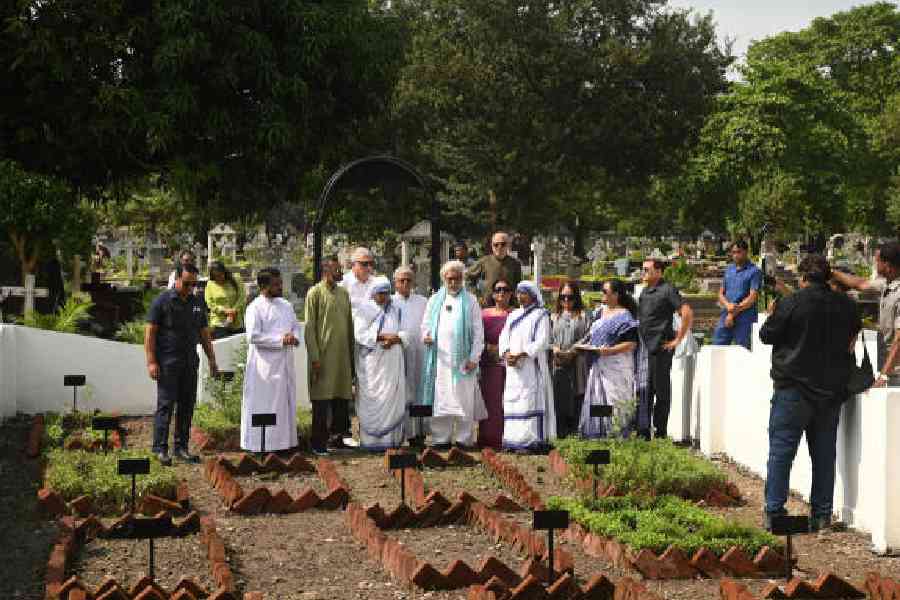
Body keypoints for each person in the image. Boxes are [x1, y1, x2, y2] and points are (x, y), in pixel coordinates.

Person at [760, 255, 860, 532]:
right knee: (824, 455)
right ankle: (821, 515)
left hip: (793, 387)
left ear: (803, 277)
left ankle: (775, 512)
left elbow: (767, 335)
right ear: (828, 276)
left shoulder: (791, 302)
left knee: (781, 452)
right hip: (830, 390)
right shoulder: (846, 305)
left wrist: (772, 314)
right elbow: (853, 336)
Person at [145, 263, 218, 465]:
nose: (190, 288)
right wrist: (151, 362)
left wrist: (212, 359)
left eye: (194, 284)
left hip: (189, 363)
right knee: (166, 405)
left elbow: (204, 333)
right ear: (176, 279)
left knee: (187, 406)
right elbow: (150, 333)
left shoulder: (197, 303)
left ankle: (181, 447)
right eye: (186, 284)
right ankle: (160, 448)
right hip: (168, 363)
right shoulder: (162, 301)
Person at [420, 260, 486, 449]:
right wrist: (426, 336)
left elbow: (478, 332)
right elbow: (425, 325)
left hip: (463, 360)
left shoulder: (471, 300)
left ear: (462, 278)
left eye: (457, 278)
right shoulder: (435, 300)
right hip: (439, 360)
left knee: (464, 399)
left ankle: (464, 439)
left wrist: (474, 358)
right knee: (441, 398)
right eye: (449, 279)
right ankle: (441, 438)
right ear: (444, 279)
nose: (453, 282)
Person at [241, 268, 302, 453]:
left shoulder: (286, 305)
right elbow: (253, 336)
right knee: (264, 404)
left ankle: (283, 444)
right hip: (264, 368)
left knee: (283, 404)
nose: (280, 287)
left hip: (284, 364)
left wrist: (294, 337)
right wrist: (280, 340)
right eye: (276, 284)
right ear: (263, 286)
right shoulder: (255, 308)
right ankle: (261, 446)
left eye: (280, 283)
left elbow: (296, 326)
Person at [579, 280, 648, 438]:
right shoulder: (599, 313)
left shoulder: (625, 316)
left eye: (605, 291)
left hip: (616, 367)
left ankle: (616, 435)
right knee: (598, 399)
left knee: (614, 401)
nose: (602, 294)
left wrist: (610, 351)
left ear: (616, 294)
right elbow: (591, 337)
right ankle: (600, 433)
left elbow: (631, 343)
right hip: (599, 364)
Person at [637, 259, 694, 440]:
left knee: (661, 392)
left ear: (659, 271)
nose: (643, 272)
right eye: (643, 269)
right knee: (644, 391)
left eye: (647, 269)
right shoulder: (644, 291)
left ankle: (660, 433)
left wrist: (677, 339)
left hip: (660, 348)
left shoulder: (667, 290)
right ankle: (643, 432)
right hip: (644, 350)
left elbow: (686, 312)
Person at [305, 256, 355, 455]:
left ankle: (337, 439)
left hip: (342, 356)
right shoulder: (315, 293)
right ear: (326, 271)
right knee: (321, 400)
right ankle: (318, 442)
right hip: (323, 357)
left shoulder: (344, 293)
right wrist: (315, 357)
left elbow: (349, 325)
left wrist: (351, 355)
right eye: (336, 269)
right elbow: (309, 328)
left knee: (341, 398)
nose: (340, 272)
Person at [832, 242, 900, 386]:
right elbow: (861, 284)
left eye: (878, 261)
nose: (875, 264)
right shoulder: (887, 284)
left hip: (895, 369)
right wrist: (833, 272)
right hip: (889, 365)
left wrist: (884, 376)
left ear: (887, 265)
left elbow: (899, 340)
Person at [498, 280, 555, 452]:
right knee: (514, 401)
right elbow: (503, 337)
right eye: (518, 293)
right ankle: (513, 440)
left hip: (531, 365)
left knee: (530, 401)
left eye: (523, 293)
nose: (519, 296)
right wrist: (507, 353)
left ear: (532, 295)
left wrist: (521, 354)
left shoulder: (541, 315)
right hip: (513, 368)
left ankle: (531, 441)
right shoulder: (513, 315)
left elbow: (542, 341)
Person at [354, 278, 408, 450]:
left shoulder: (396, 310)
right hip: (372, 363)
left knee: (390, 395)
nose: (383, 297)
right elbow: (360, 335)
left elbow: (406, 333)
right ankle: (370, 442)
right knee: (374, 396)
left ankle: (391, 441)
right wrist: (384, 337)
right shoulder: (365, 310)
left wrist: (395, 339)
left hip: (392, 362)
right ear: (373, 293)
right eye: (379, 293)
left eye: (386, 293)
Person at [393, 266, 429, 447]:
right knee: (402, 392)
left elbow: (429, 324)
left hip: (421, 352)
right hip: (399, 353)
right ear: (395, 283)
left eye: (409, 280)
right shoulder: (390, 302)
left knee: (420, 391)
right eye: (402, 280)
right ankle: (402, 432)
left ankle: (420, 433)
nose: (405, 283)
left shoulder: (423, 301)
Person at [550, 282, 592, 438]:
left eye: (570, 297)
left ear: (576, 297)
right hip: (558, 362)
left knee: (577, 394)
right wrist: (555, 349)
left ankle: (576, 431)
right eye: (563, 297)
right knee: (559, 396)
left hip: (578, 362)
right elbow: (548, 338)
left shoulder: (584, 316)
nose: (566, 300)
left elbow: (588, 336)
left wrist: (573, 351)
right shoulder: (553, 317)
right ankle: (560, 432)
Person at [478, 278, 514, 449]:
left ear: (511, 294)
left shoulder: (516, 314)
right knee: (490, 399)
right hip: (489, 361)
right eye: (498, 289)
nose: (501, 293)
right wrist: (489, 348)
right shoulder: (484, 314)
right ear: (492, 294)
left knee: (508, 400)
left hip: (511, 362)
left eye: (505, 290)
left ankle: (508, 436)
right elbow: (477, 336)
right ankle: (489, 437)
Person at [712, 240, 762, 350]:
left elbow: (752, 298)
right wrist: (728, 306)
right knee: (717, 347)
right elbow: (721, 293)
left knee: (743, 350)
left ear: (746, 252)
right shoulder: (729, 269)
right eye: (733, 252)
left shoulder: (754, 271)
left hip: (744, 317)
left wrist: (733, 313)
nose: (735, 255)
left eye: (739, 252)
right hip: (726, 314)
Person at [466, 232, 523, 304]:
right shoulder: (484, 261)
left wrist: (516, 299)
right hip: (488, 305)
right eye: (496, 245)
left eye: (503, 244)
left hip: (509, 305)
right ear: (492, 246)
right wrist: (477, 296)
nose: (499, 247)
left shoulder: (515, 264)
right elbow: (468, 277)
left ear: (508, 245)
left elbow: (519, 285)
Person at [205, 260, 246, 339]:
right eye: (216, 276)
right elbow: (210, 303)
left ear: (225, 272)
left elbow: (242, 297)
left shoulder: (236, 280)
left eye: (220, 275)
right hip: (219, 323)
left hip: (236, 322)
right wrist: (224, 311)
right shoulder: (210, 284)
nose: (219, 278)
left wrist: (233, 311)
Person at [341, 247, 378, 315]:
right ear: (353, 264)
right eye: (364, 264)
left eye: (371, 263)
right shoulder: (343, 284)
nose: (369, 267)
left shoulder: (377, 283)